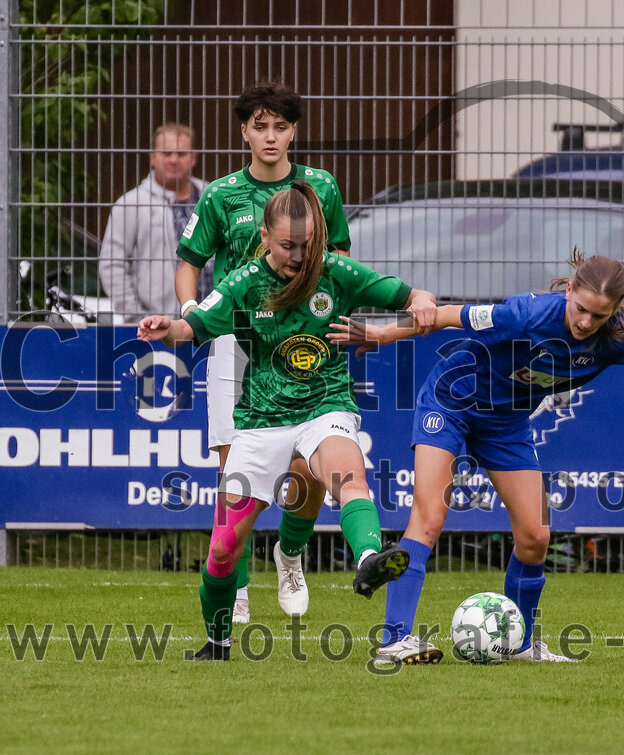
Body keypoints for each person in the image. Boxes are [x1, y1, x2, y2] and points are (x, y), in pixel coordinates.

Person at [329, 250, 624, 664]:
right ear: (568, 292)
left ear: (615, 311)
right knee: (428, 517)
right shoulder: (525, 313)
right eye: (580, 309)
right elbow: (447, 315)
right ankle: (394, 639)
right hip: (450, 403)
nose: (585, 322)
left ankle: (520, 644)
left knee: (536, 537)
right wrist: (383, 334)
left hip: (505, 424)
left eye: (598, 315)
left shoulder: (618, 339)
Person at [140, 181, 437, 660]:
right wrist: (165, 328)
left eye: (307, 244)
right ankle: (217, 642)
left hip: (325, 406)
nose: (299, 256)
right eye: (287, 246)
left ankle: (368, 559)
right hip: (260, 422)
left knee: (348, 474)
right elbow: (191, 326)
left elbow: (412, 298)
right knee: (221, 552)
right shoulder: (242, 283)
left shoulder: (336, 271)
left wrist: (417, 305)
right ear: (264, 236)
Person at [175, 82, 351, 625]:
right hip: (239, 340)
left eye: (280, 127)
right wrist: (191, 312)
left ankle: (290, 554)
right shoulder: (221, 194)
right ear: (244, 131)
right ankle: (237, 582)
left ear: (293, 131)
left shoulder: (320, 185)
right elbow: (190, 261)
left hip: (302, 340)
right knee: (235, 472)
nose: (270, 136)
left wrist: (332, 315)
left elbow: (341, 257)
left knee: (314, 467)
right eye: (260, 126)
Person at [99, 123, 207, 319]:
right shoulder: (131, 204)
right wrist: (138, 317)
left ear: (194, 158)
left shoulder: (211, 197)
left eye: (182, 154)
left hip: (213, 323)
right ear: (153, 158)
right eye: (166, 153)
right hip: (159, 324)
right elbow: (111, 264)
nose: (174, 160)